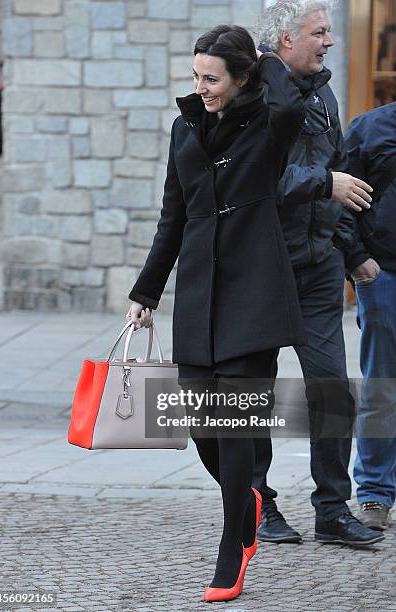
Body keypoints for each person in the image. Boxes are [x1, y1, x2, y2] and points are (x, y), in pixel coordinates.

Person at [127, 25, 307, 603]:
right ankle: (249, 498)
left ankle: (233, 545)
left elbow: (288, 94)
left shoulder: (270, 122)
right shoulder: (185, 128)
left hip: (254, 285)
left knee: (233, 424)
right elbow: (171, 218)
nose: (200, 87)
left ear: (240, 76)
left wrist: (261, 56)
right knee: (202, 420)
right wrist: (147, 292)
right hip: (201, 291)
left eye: (212, 78)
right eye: (195, 76)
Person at [252, 0, 385, 547]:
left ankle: (332, 510)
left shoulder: (325, 94)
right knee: (250, 394)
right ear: (285, 39)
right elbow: (256, 180)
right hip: (261, 270)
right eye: (319, 32)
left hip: (319, 269)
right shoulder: (254, 93)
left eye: (331, 30)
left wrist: (349, 253)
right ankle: (258, 505)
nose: (329, 41)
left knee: (331, 390)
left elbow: (340, 178)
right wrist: (323, 182)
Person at [344, 101, 396, 531]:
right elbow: (342, 204)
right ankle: (375, 493)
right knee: (382, 386)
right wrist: (358, 259)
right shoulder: (370, 129)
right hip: (385, 275)